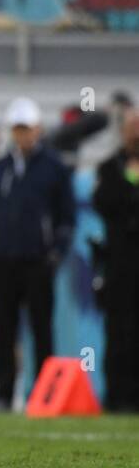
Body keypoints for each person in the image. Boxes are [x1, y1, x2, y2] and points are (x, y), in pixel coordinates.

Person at [0, 97, 76, 411]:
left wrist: (56, 251)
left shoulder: (54, 168)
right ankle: (4, 394)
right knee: (4, 329)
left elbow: (66, 215)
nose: (22, 135)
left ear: (38, 129)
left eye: (27, 128)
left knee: (41, 327)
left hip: (37, 260)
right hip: (2, 260)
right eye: (17, 129)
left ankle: (44, 394)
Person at [92, 107, 139, 412]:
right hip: (120, 261)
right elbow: (104, 203)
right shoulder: (109, 167)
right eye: (132, 125)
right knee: (118, 329)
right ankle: (117, 396)